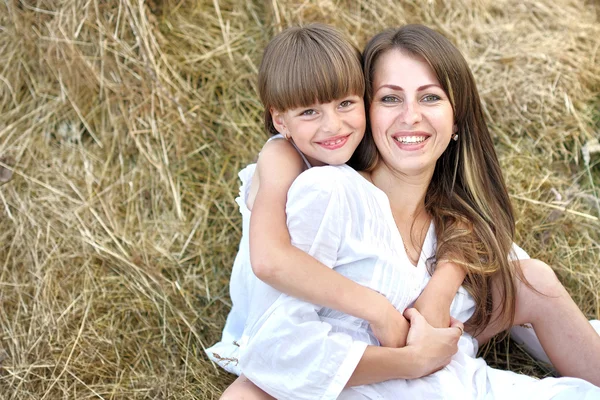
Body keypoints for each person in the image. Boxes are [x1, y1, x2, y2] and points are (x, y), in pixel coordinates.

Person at [219, 25, 600, 399]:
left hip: (446, 363)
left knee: (535, 279)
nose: (410, 116)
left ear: (456, 118)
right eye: (389, 98)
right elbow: (273, 322)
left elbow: (483, 236)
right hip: (353, 363)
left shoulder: (451, 214)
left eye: (430, 97)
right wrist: (405, 349)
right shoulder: (318, 185)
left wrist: (443, 286)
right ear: (370, 109)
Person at [206, 23, 465, 380]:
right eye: (309, 112)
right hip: (271, 322)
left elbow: (462, 217)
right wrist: (379, 310)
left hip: (330, 316)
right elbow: (269, 262)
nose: (334, 125)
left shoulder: (349, 152)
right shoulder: (282, 157)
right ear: (280, 119)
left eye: (345, 103)